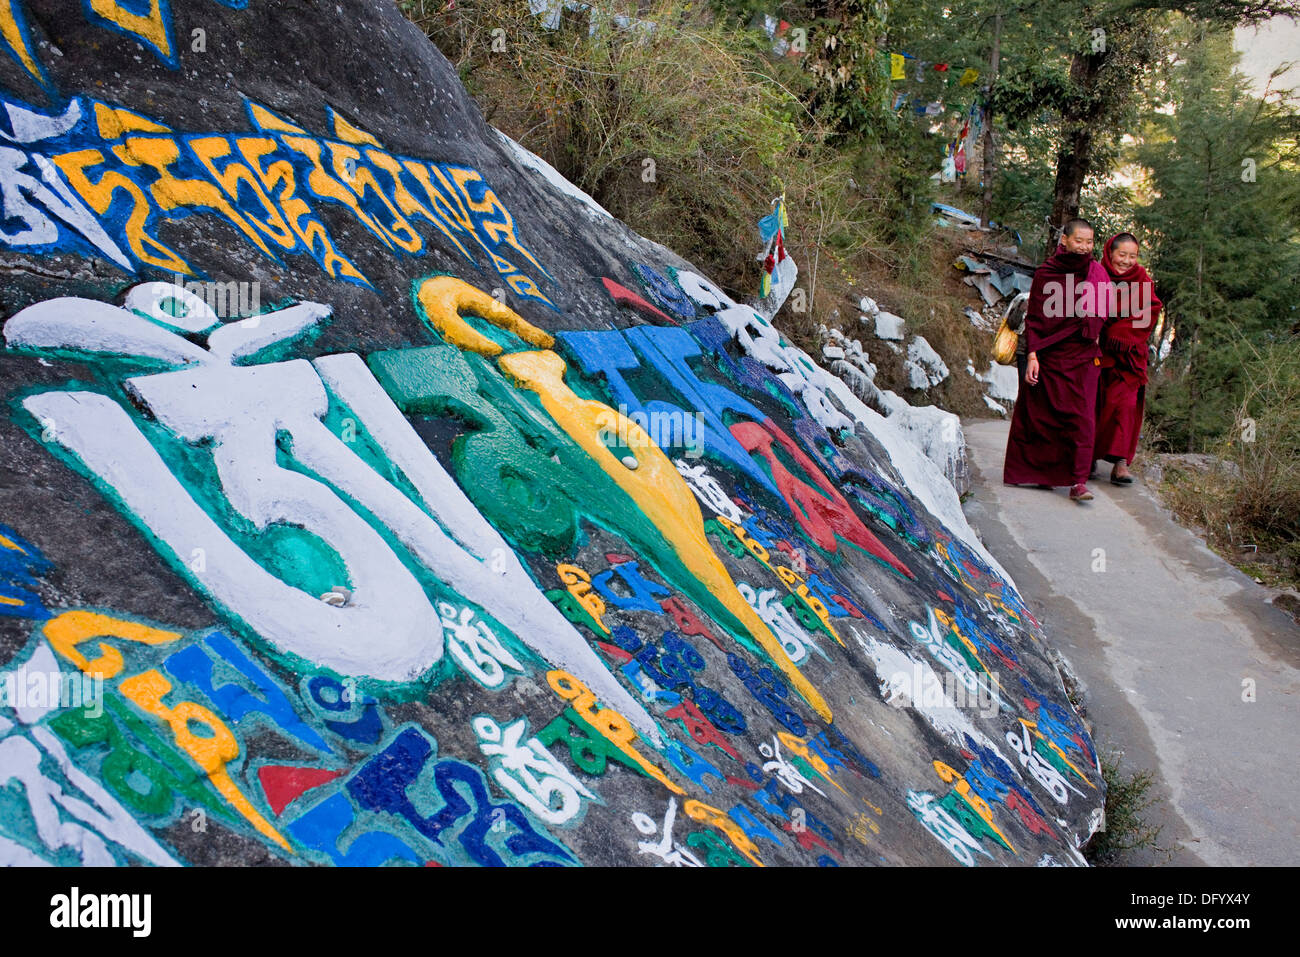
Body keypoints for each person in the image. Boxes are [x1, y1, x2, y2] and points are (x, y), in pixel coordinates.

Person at [1003, 218, 1111, 502]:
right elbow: (1036, 318)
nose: (1085, 247)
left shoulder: (1097, 272)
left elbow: (1104, 310)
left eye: (1089, 242)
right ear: (1064, 240)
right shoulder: (1047, 273)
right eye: (1079, 241)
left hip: (1084, 355)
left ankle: (1078, 482)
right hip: (1050, 354)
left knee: (1083, 418)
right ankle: (1043, 474)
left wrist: (1094, 324)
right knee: (1043, 415)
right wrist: (1034, 355)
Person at [1093, 232, 1162, 486]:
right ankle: (1088, 456)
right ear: (1110, 252)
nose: (1126, 261)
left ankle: (1120, 463)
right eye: (1122, 255)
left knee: (1125, 406)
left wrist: (1121, 333)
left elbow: (1151, 310)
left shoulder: (1142, 279)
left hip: (1128, 356)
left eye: (1132, 256)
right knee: (1094, 405)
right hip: (1098, 351)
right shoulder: (1097, 274)